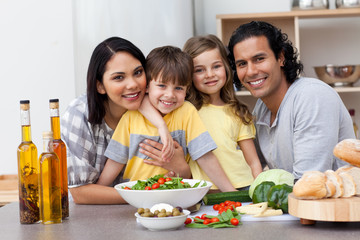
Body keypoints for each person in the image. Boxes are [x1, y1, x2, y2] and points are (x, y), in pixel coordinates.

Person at [61, 37, 185, 204]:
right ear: (100, 86)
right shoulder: (79, 113)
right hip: (92, 217)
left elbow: (184, 176)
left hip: (145, 213)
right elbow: (80, 192)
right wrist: (149, 195)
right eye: (119, 77)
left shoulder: (163, 105)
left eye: (138, 72)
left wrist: (181, 169)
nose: (133, 84)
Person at [96, 46, 236, 192]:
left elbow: (205, 156)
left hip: (175, 194)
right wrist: (99, 189)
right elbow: (115, 159)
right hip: (137, 196)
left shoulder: (186, 112)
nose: (170, 95)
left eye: (179, 88)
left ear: (187, 89)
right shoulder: (131, 116)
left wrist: (230, 191)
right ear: (147, 86)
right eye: (162, 85)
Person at [227, 21, 355, 180]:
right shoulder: (261, 109)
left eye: (259, 59)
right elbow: (250, 166)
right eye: (242, 64)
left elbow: (308, 180)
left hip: (336, 203)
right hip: (297, 201)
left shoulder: (312, 96)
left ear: (281, 58)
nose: (251, 71)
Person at [183, 34, 262, 190]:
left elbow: (253, 161)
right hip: (205, 190)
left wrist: (259, 189)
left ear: (226, 67)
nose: (210, 74)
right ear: (189, 75)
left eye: (216, 66)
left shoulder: (238, 111)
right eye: (199, 70)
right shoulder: (187, 111)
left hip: (245, 186)